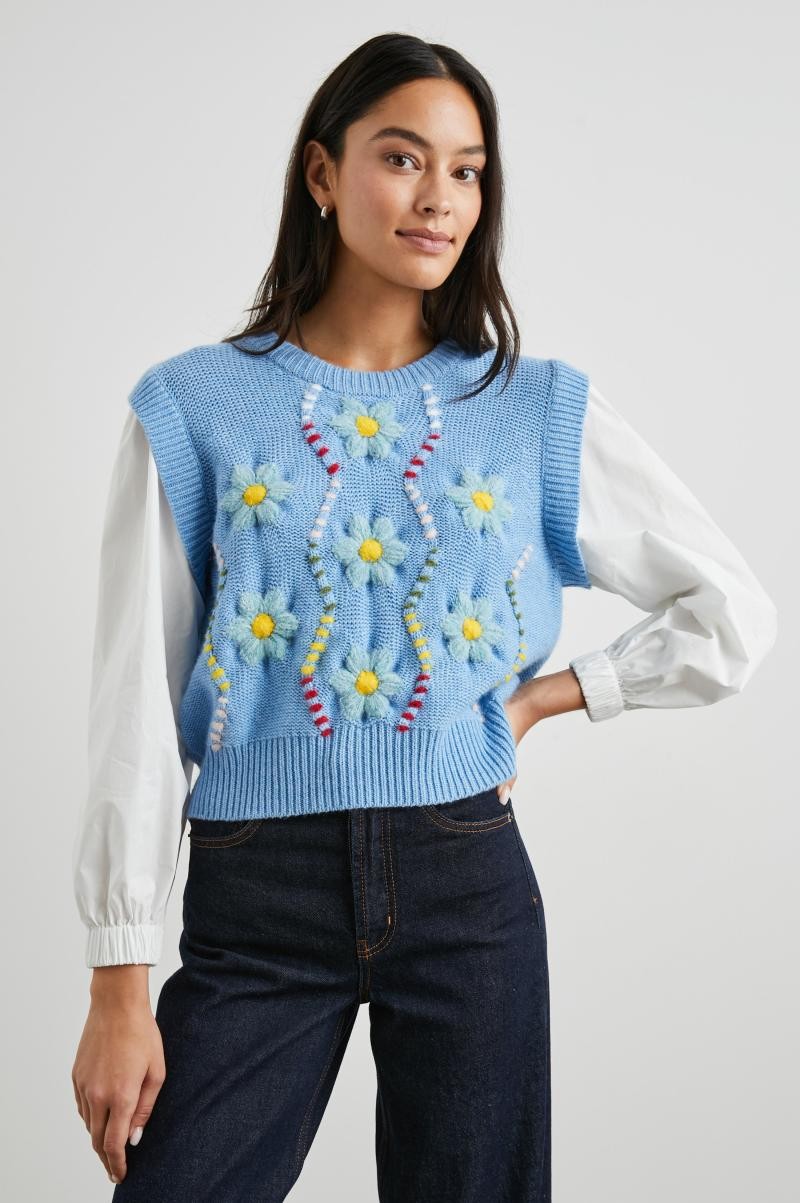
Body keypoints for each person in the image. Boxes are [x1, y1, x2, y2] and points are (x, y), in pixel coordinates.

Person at [70, 31, 777, 1202]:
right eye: (402, 159)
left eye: (466, 170)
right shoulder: (192, 407)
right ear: (320, 172)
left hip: (465, 879)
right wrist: (116, 980)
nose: (438, 197)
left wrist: (548, 700)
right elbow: (134, 702)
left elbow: (728, 611)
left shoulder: (534, 409)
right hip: (256, 890)